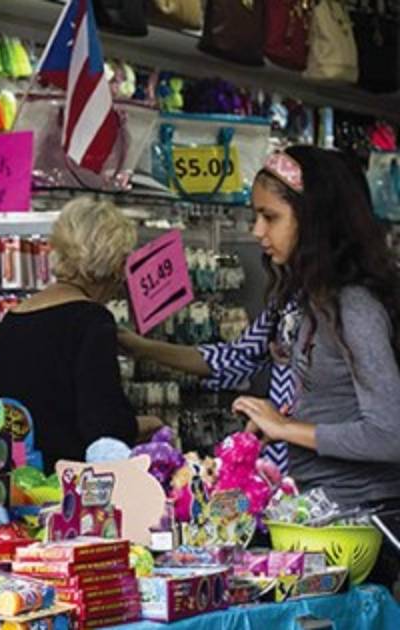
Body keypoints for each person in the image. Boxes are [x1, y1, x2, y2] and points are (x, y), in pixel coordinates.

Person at [120, 146, 400, 584]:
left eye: (270, 217)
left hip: (359, 528)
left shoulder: (354, 308)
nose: (256, 231)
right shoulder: (303, 300)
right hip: (318, 517)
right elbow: (246, 361)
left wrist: (286, 428)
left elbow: (390, 434)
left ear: (313, 220)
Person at [0, 197, 160, 470]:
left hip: (12, 480)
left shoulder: (14, 318)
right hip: (67, 484)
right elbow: (103, 426)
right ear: (113, 267)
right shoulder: (91, 321)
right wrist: (152, 425)